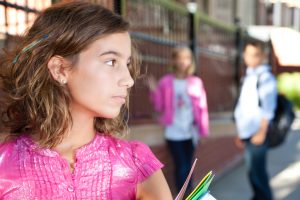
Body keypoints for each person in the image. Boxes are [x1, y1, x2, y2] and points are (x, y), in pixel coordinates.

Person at [0, 2, 172, 199]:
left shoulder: (137, 163)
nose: (129, 80)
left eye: (127, 64)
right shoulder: (4, 165)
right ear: (60, 69)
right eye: (111, 61)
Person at [148, 46, 209, 193]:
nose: (183, 61)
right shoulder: (165, 82)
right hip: (173, 132)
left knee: (189, 166)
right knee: (181, 166)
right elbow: (159, 106)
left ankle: (187, 194)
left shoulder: (196, 82)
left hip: (191, 132)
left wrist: (203, 131)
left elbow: (202, 108)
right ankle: (185, 194)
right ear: (174, 60)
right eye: (180, 58)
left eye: (187, 58)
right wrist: (154, 90)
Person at [234, 41, 277, 200]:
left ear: (262, 56)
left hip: (258, 132)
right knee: (252, 171)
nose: (251, 58)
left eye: (255, 55)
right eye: (248, 54)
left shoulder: (265, 77)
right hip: (248, 132)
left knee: (257, 172)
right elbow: (243, 107)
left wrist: (261, 131)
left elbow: (268, 108)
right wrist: (241, 132)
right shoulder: (249, 76)